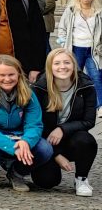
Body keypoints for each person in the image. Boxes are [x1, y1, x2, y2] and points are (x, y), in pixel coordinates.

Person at [0, 54, 54, 192]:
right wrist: (13, 148)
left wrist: (26, 141)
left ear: (18, 74)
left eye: (11, 74)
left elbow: (34, 125)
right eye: (2, 75)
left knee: (45, 149)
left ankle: (17, 173)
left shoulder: (29, 94)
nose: (7, 79)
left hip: (16, 134)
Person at [30, 49, 96, 196]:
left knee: (86, 141)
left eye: (67, 62)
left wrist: (62, 129)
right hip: (45, 140)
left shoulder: (86, 86)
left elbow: (89, 121)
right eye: (57, 63)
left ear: (74, 65)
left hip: (72, 137)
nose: (62, 67)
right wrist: (56, 155)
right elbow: (33, 124)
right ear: (50, 66)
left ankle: (81, 179)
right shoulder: (39, 88)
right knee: (46, 181)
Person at [54, 0, 102, 94]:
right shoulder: (71, 10)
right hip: (75, 49)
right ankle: (73, 100)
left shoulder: (99, 12)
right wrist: (64, 43)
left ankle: (99, 103)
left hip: (93, 50)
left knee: (97, 78)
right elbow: (62, 28)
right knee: (73, 77)